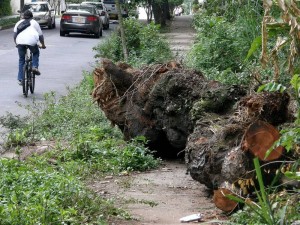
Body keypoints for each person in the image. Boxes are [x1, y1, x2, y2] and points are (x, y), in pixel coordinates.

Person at [13, 9, 46, 85]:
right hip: (32, 42)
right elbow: (41, 36)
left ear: (23, 17)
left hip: (20, 42)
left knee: (21, 60)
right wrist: (43, 45)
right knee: (36, 52)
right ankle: (34, 67)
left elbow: (14, 36)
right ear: (32, 17)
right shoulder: (35, 23)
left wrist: (16, 44)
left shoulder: (18, 23)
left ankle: (20, 79)